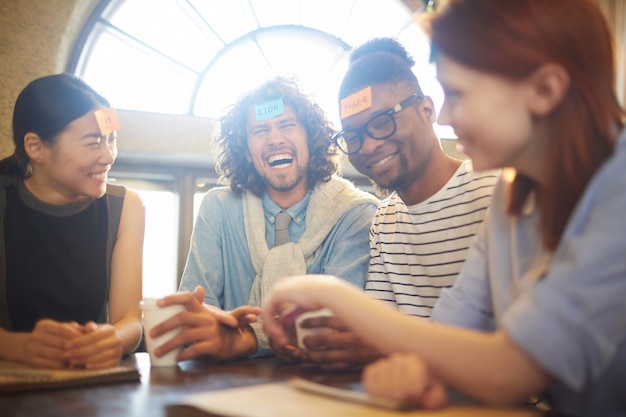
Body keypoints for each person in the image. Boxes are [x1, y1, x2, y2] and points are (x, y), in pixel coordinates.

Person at [262, 0, 626, 415]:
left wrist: (331, 294)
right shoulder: (513, 200)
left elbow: (511, 368)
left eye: (459, 94)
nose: (447, 116)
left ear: (544, 89)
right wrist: (419, 375)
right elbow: (451, 330)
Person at [289, 38, 498, 370]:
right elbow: (376, 330)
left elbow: (516, 351)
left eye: (383, 122)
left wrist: (384, 348)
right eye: (353, 137)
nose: (369, 146)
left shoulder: (495, 192)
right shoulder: (385, 218)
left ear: (427, 109)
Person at [150, 76, 378, 361]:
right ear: (247, 151)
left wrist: (244, 336)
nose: (275, 139)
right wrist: (204, 325)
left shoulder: (355, 213)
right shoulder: (218, 209)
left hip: (321, 383)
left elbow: (333, 325)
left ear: (310, 136)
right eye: (260, 130)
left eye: (287, 125)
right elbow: (197, 311)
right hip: (226, 385)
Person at [0, 74, 145, 369]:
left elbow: (130, 320)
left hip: (91, 384)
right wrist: (16, 346)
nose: (108, 156)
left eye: (112, 140)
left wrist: (113, 339)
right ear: (36, 147)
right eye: (93, 143)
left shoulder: (126, 207)